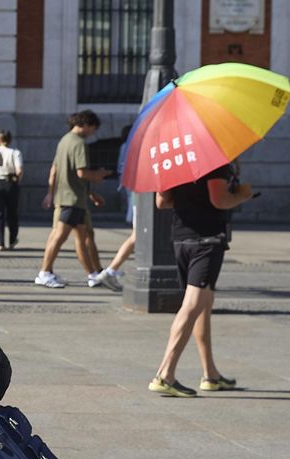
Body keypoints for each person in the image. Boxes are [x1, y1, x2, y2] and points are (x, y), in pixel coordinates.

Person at [150, 163, 254, 397]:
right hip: (206, 241)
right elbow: (219, 200)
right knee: (192, 306)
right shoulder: (213, 162)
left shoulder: (173, 161)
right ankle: (165, 374)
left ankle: (210, 374)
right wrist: (242, 195)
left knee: (203, 305)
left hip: (181, 239)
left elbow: (162, 201)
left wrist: (189, 199)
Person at [36, 110, 112, 289]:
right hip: (71, 198)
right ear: (86, 125)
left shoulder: (64, 140)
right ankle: (44, 273)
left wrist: (51, 192)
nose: (93, 133)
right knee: (59, 236)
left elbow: (54, 169)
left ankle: (92, 274)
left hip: (68, 197)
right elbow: (82, 173)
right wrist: (99, 175)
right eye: (93, 129)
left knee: (82, 236)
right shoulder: (79, 143)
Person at [94, 124, 139, 291]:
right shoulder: (138, 148)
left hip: (139, 195)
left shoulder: (132, 147)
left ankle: (111, 270)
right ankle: (111, 270)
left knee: (137, 236)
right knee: (138, 236)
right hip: (145, 198)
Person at [0, 130, 23, 251]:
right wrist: (18, 181)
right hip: (11, 182)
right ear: (10, 140)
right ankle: (12, 239)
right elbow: (19, 170)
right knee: (12, 213)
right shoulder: (15, 152)